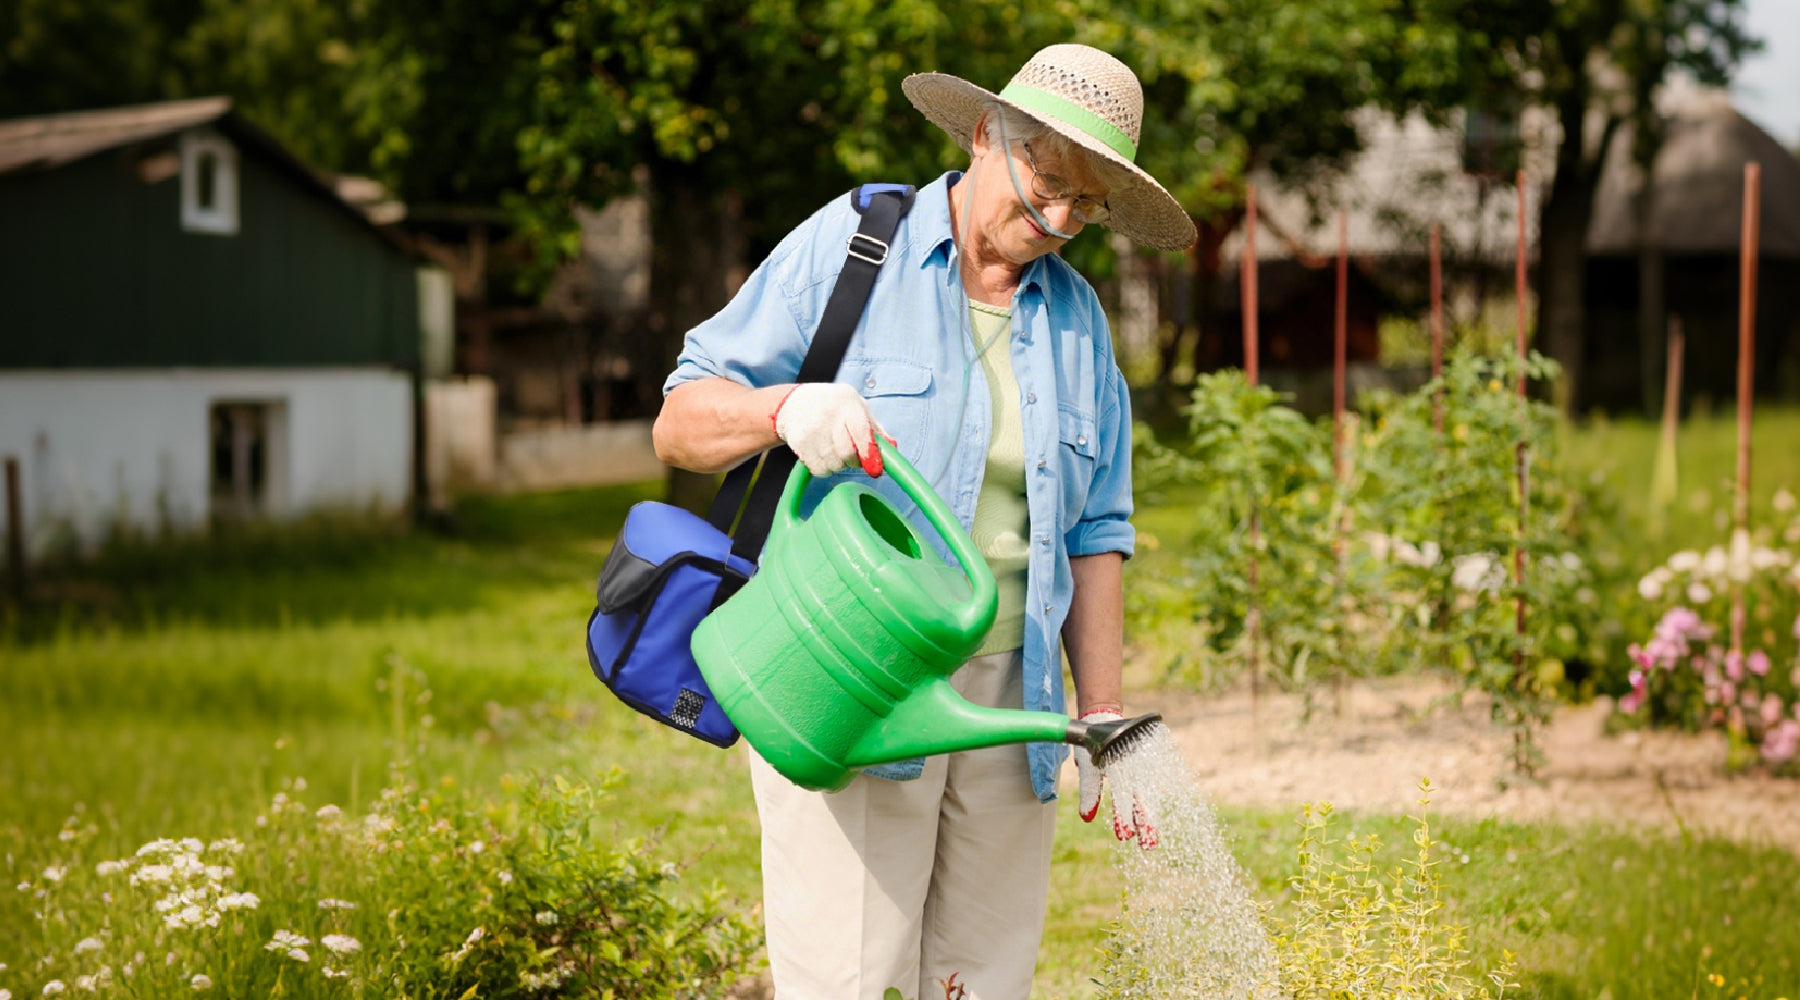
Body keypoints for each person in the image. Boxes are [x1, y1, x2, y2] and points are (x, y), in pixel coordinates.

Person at [652, 43, 1197, 1000]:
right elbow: (683, 419)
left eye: (1087, 205)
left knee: (979, 982)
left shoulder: (1077, 320)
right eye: (1048, 181)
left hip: (1008, 693)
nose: (1057, 220)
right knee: (851, 978)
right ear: (986, 134)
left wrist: (1104, 714)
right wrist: (783, 410)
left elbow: (1097, 529)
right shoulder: (857, 245)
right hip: (850, 675)